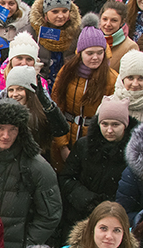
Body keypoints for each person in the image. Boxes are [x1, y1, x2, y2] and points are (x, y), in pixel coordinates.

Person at [0, 101, 61, 248]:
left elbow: (50, 214)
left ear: (21, 131)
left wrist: (27, 246)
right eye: (0, 128)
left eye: (12, 129)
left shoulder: (37, 167)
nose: (6, 136)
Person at [50, 15, 119, 166]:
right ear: (80, 53)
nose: (95, 57)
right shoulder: (67, 72)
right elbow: (56, 108)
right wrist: (62, 145)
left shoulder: (112, 79)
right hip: (66, 132)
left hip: (95, 140)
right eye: (90, 53)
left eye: (99, 52)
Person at [60, 98, 134, 230]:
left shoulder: (133, 152)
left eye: (115, 125)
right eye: (105, 124)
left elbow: (133, 192)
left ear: (125, 125)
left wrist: (107, 205)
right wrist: (87, 199)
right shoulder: (84, 146)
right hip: (78, 216)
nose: (109, 130)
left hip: (113, 219)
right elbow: (67, 178)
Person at [27, 0, 82, 85]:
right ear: (45, 14)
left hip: (66, 83)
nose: (60, 16)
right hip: (40, 83)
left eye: (65, 11)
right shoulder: (31, 31)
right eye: (55, 11)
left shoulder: (77, 31)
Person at [103, 49, 143, 123]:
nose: (135, 84)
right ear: (122, 79)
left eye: (141, 78)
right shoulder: (108, 105)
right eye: (130, 78)